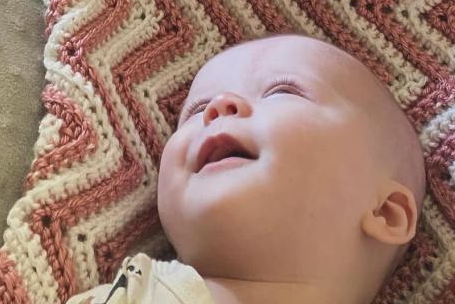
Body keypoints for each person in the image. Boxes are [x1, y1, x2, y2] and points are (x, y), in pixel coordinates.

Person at [68, 34, 426, 304]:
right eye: (196, 111)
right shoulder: (135, 292)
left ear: (385, 212)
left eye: (282, 90)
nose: (221, 106)